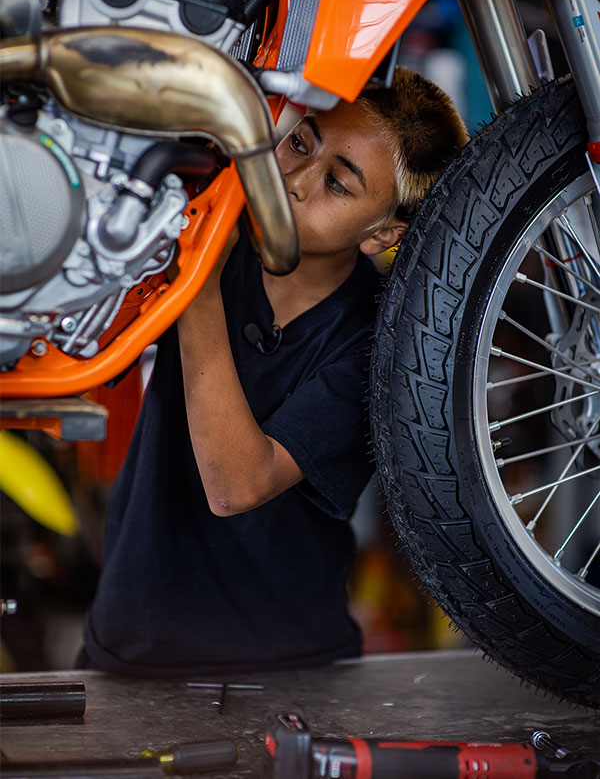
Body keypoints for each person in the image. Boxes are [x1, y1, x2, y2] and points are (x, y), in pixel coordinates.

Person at [76, 67, 469, 676]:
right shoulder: (217, 229)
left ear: (382, 233)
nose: (294, 180)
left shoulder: (380, 346)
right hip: (125, 643)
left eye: (338, 183)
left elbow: (238, 484)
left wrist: (195, 283)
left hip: (283, 672)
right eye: (300, 143)